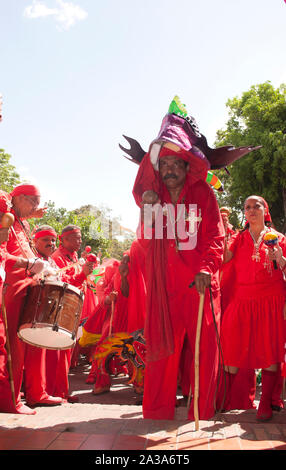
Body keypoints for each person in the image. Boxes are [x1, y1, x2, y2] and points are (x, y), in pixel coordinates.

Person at [130, 100, 226, 421]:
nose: (169, 169)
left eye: (176, 164)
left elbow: (216, 237)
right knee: (162, 353)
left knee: (203, 351)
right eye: (164, 164)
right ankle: (156, 414)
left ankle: (200, 412)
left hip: (198, 286)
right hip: (164, 290)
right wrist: (147, 201)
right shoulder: (151, 192)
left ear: (187, 167)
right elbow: (141, 189)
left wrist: (206, 268)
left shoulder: (204, 195)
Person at [220, 195, 286, 421]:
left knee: (270, 349)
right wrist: (218, 232)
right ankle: (226, 398)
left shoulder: (278, 238)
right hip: (242, 299)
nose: (251, 210)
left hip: (271, 300)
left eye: (256, 206)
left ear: (265, 210)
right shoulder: (238, 238)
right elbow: (225, 258)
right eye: (247, 207)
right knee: (232, 345)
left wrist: (282, 259)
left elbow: (285, 269)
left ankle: (266, 402)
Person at [0, 184, 51, 414]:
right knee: (10, 347)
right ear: (18, 198)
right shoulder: (6, 215)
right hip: (10, 289)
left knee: (20, 345)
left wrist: (41, 267)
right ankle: (10, 401)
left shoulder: (22, 222)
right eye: (33, 201)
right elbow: (3, 253)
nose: (35, 207)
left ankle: (24, 394)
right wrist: (29, 263)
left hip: (26, 287)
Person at [45, 225, 94, 402]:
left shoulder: (72, 256)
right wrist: (82, 275)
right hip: (60, 309)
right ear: (63, 239)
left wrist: (85, 273)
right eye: (75, 238)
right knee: (56, 352)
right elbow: (60, 282)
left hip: (71, 309)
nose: (79, 241)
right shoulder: (58, 257)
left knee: (65, 350)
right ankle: (52, 391)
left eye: (80, 238)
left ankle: (61, 391)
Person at [22, 225, 63, 407]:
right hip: (29, 311)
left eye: (53, 240)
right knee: (34, 352)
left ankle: (39, 391)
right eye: (46, 240)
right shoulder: (31, 256)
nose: (51, 243)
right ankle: (36, 393)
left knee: (40, 352)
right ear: (35, 241)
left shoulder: (50, 261)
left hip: (42, 313)